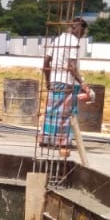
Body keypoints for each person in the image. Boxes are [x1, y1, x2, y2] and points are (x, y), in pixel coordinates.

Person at [39, 17, 91, 148]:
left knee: (51, 111)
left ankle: (45, 138)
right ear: (79, 29)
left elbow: (46, 62)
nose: (82, 35)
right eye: (83, 32)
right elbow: (71, 67)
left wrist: (48, 81)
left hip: (54, 80)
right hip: (67, 82)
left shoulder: (58, 40)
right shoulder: (73, 42)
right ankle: (62, 141)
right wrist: (82, 83)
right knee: (66, 113)